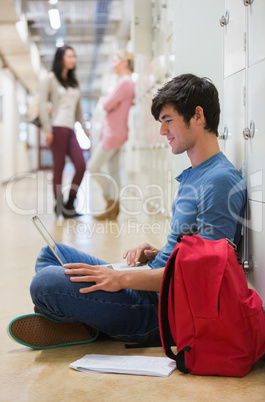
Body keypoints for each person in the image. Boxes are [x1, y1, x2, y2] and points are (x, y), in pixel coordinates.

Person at [8, 74, 246, 349]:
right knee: (51, 253)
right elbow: (194, 251)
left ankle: (86, 321)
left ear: (198, 115)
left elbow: (205, 275)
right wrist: (157, 255)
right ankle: (87, 320)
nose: (162, 131)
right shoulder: (197, 173)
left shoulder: (219, 180)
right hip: (153, 281)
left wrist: (121, 278)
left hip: (158, 311)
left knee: (45, 283)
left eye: (168, 120)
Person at [39, 45, 90, 218]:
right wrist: (47, 129)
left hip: (71, 128)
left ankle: (70, 203)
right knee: (59, 167)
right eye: (70, 56)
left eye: (74, 56)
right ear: (61, 58)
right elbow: (41, 105)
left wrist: (84, 129)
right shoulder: (51, 78)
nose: (73, 59)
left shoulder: (74, 81)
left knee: (81, 165)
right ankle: (59, 204)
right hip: (57, 127)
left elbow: (78, 110)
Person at [87, 50, 135, 220]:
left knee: (92, 167)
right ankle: (113, 209)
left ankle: (111, 200)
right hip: (116, 132)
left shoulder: (125, 82)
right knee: (113, 171)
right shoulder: (125, 83)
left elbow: (106, 104)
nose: (113, 64)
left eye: (115, 60)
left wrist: (109, 104)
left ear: (124, 62)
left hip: (113, 134)